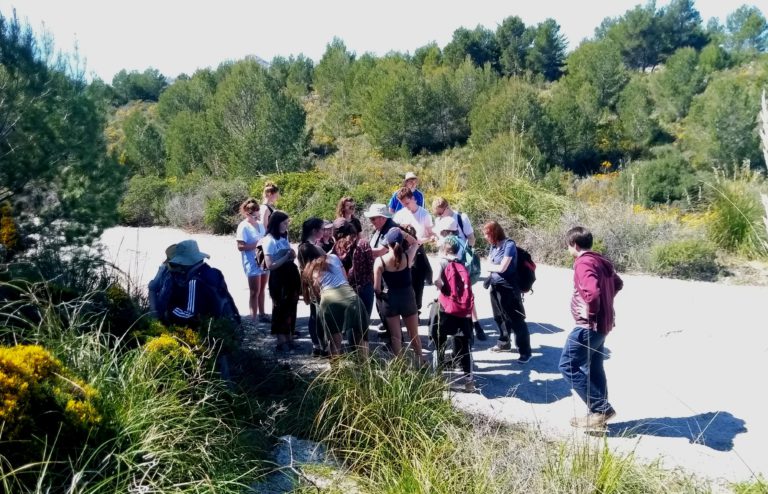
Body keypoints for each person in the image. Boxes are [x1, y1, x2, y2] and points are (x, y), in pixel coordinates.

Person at [559, 226, 623, 428]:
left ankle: (601, 409)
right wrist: (606, 305)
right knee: (593, 367)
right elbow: (618, 284)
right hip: (603, 325)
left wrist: (593, 313)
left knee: (568, 365)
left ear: (574, 245)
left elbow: (593, 293)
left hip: (589, 325)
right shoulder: (601, 261)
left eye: (568, 246)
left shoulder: (583, 263)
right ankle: (598, 417)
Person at [149, 239, 240, 329]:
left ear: (186, 263)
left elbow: (190, 316)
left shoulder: (194, 281)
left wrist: (169, 308)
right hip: (229, 326)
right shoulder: (213, 272)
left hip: (214, 332)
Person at [373, 227, 426, 365]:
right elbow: (416, 243)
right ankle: (420, 360)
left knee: (395, 336)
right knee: (414, 334)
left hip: (390, 299)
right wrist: (403, 233)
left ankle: (400, 366)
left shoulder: (380, 261)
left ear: (387, 243)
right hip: (407, 297)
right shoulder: (407, 257)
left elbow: (377, 288)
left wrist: (382, 295)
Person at [482, 221, 532, 363]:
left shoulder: (509, 245)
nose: (485, 237)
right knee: (499, 317)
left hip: (509, 288)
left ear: (494, 232)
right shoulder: (493, 246)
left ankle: (525, 351)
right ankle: (504, 343)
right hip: (495, 286)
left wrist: (491, 267)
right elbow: (490, 265)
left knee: (516, 320)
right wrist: (492, 267)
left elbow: (503, 267)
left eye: (487, 234)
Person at [303, 254, 370, 357]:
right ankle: (365, 367)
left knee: (334, 342)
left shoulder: (309, 270)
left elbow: (314, 296)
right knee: (361, 335)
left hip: (329, 299)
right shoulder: (333, 257)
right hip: (350, 296)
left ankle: (336, 371)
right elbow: (345, 277)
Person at [431, 236, 475, 392]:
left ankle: (438, 380)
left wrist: (443, 290)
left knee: (439, 343)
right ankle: (469, 382)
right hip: (462, 310)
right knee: (464, 346)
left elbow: (435, 279)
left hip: (444, 308)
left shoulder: (442, 262)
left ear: (444, 248)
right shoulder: (463, 264)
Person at [433, 215, 487, 341]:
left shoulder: (445, 244)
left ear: (444, 231)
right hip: (464, 279)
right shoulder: (463, 242)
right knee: (467, 300)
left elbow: (439, 273)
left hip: (449, 283)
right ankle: (476, 325)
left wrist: (440, 288)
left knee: (449, 305)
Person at [262, 210, 301, 353]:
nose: (286, 226)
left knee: (291, 308)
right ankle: (281, 341)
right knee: (280, 309)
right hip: (279, 278)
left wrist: (292, 254)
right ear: (276, 223)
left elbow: (290, 254)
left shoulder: (284, 237)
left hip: (290, 275)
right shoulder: (269, 240)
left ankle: (289, 338)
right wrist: (285, 257)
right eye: (284, 223)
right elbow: (270, 265)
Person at [393, 187, 434, 315]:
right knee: (403, 282)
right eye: (402, 204)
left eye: (407, 203)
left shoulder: (424, 214)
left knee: (418, 283)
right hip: (403, 250)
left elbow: (431, 235)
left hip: (418, 250)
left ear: (413, 198)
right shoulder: (400, 215)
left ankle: (416, 310)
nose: (405, 206)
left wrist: (420, 241)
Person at [298, 218, 329, 357]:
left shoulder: (307, 246)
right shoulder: (308, 248)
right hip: (315, 286)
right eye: (322, 229)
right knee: (318, 317)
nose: (324, 231)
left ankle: (318, 345)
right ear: (315, 231)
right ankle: (321, 346)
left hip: (312, 286)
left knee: (315, 315)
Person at [333, 218, 375, 319]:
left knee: (349, 324)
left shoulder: (336, 248)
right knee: (364, 322)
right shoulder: (363, 244)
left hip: (345, 289)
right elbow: (371, 265)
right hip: (365, 287)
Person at [235, 198, 268, 322]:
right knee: (255, 291)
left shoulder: (260, 225)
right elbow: (240, 246)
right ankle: (253, 318)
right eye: (253, 211)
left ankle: (262, 314)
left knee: (262, 289)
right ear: (247, 212)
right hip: (251, 261)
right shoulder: (243, 227)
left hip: (263, 260)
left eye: (257, 209)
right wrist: (256, 245)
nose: (256, 212)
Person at [258, 181, 281, 322]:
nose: (277, 197)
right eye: (276, 194)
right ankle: (263, 312)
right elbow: (264, 227)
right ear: (270, 194)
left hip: (274, 241)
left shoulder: (269, 207)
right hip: (270, 243)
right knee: (268, 280)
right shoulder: (265, 208)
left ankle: (270, 311)